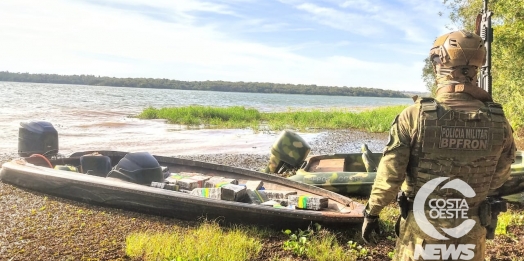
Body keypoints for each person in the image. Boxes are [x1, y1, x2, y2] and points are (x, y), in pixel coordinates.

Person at [361, 30, 516, 261]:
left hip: (423, 232)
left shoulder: (415, 116)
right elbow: (500, 176)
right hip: (469, 231)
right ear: (477, 66)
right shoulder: (498, 121)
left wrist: (372, 213)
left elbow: (390, 176)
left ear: (439, 64)